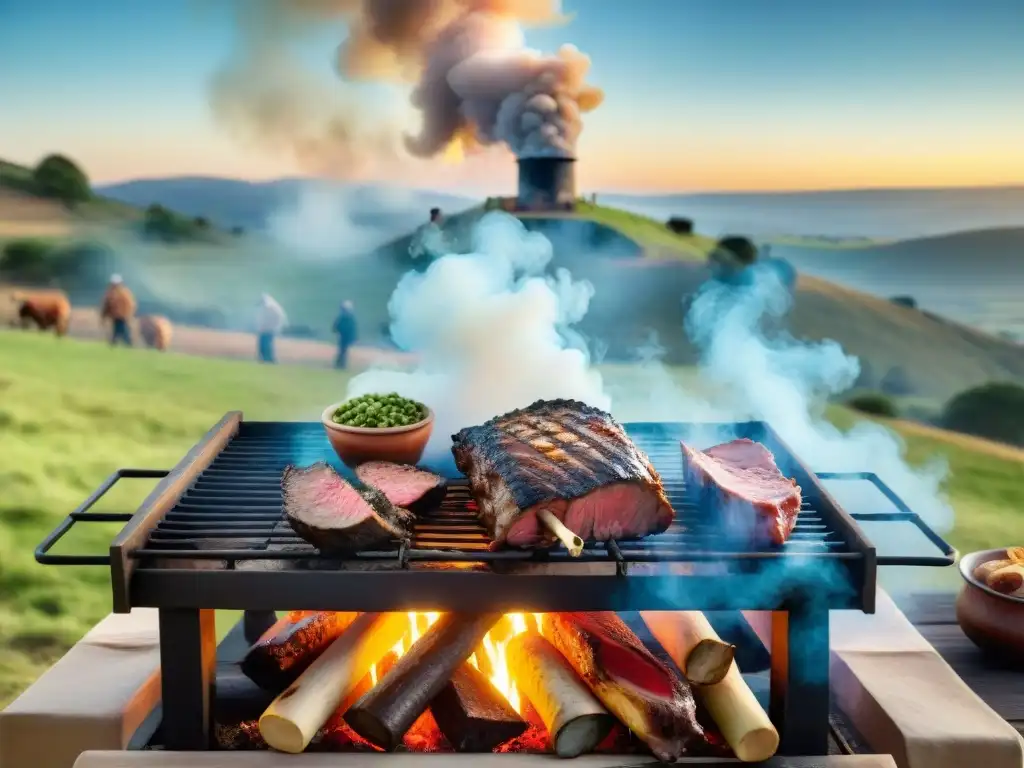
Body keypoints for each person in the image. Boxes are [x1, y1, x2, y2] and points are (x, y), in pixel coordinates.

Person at [100, 274, 136, 347]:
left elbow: (107, 305)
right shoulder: (126, 292)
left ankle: (121, 343)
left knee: (121, 330)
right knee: (120, 330)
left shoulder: (113, 293)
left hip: (120, 316)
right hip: (121, 316)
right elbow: (132, 304)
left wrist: (104, 315)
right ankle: (119, 343)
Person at [255, 293, 287, 364]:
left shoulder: (269, 306)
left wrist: (263, 327)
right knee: (267, 342)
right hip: (271, 327)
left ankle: (266, 358)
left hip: (270, 327)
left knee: (265, 342)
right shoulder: (273, 306)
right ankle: (266, 357)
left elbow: (266, 318)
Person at [332, 300, 358, 369]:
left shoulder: (347, 318)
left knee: (343, 350)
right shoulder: (347, 318)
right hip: (343, 336)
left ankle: (341, 364)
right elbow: (337, 326)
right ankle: (340, 363)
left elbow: (337, 326)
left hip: (344, 336)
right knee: (342, 350)